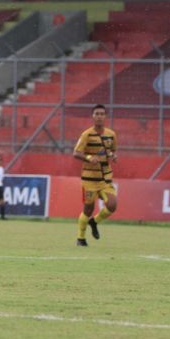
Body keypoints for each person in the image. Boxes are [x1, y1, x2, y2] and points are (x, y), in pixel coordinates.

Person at [73, 103, 117, 246]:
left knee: (112, 205)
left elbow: (110, 151)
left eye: (101, 114)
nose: (99, 116)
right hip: (89, 180)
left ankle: (94, 221)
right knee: (88, 209)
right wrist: (89, 158)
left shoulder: (111, 134)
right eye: (96, 114)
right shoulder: (86, 134)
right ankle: (81, 238)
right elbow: (76, 153)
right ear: (92, 116)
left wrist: (113, 156)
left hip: (105, 178)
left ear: (105, 116)